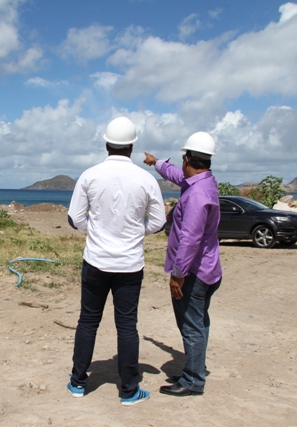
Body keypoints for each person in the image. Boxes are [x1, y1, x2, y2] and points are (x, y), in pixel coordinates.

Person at [66, 116, 166, 406]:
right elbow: (159, 221)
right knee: (127, 326)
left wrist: (97, 230)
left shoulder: (90, 176)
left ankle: (78, 382)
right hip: (130, 265)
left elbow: (75, 218)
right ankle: (129, 390)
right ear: (132, 146)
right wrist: (136, 231)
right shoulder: (146, 179)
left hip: (96, 261)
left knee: (88, 321)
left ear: (106, 143)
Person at [143, 131, 223, 397]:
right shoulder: (202, 182)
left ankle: (193, 381)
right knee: (198, 323)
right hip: (207, 269)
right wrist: (157, 163)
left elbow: (190, 239)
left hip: (193, 273)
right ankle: (193, 370)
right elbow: (178, 176)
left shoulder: (197, 195)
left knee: (192, 326)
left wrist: (178, 275)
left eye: (183, 159)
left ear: (188, 158)